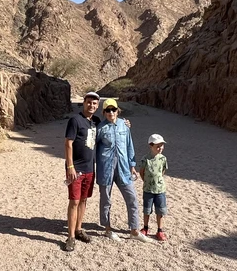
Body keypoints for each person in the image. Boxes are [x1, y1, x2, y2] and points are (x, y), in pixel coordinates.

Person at [95, 98, 149, 241]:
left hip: (124, 168)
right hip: (105, 169)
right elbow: (93, 148)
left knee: (131, 198)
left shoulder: (124, 126)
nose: (111, 112)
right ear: (104, 112)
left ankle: (134, 231)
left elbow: (129, 146)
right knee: (106, 199)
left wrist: (132, 166)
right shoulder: (100, 128)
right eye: (108, 110)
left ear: (118, 111)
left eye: (113, 109)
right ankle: (107, 229)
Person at [63, 91, 102, 252]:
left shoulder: (96, 121)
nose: (91, 105)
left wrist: (125, 123)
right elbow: (68, 143)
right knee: (74, 201)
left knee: (84, 200)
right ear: (84, 103)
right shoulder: (75, 120)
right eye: (89, 102)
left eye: (94, 103)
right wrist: (70, 166)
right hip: (76, 169)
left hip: (89, 168)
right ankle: (71, 236)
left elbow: (111, 123)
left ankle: (79, 229)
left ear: (97, 106)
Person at [137, 133, 170, 242]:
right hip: (148, 189)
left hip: (160, 189)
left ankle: (160, 230)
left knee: (160, 210)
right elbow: (142, 172)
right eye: (157, 146)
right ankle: (145, 227)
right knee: (147, 210)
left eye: (162, 145)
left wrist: (157, 182)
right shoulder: (145, 159)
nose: (160, 148)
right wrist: (146, 181)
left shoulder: (163, 159)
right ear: (151, 146)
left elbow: (162, 171)